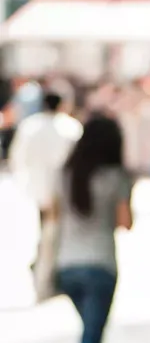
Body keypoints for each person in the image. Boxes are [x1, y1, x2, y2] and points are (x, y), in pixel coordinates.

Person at [51, 114, 132, 343]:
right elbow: (125, 222)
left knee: (91, 334)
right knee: (91, 338)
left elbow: (53, 217)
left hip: (67, 265)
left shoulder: (65, 174)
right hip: (100, 266)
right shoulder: (116, 177)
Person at [9, 89, 83, 297]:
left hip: (39, 187)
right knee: (53, 232)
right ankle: (46, 276)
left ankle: (46, 272)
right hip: (60, 189)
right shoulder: (70, 127)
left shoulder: (31, 126)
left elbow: (18, 156)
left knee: (49, 230)